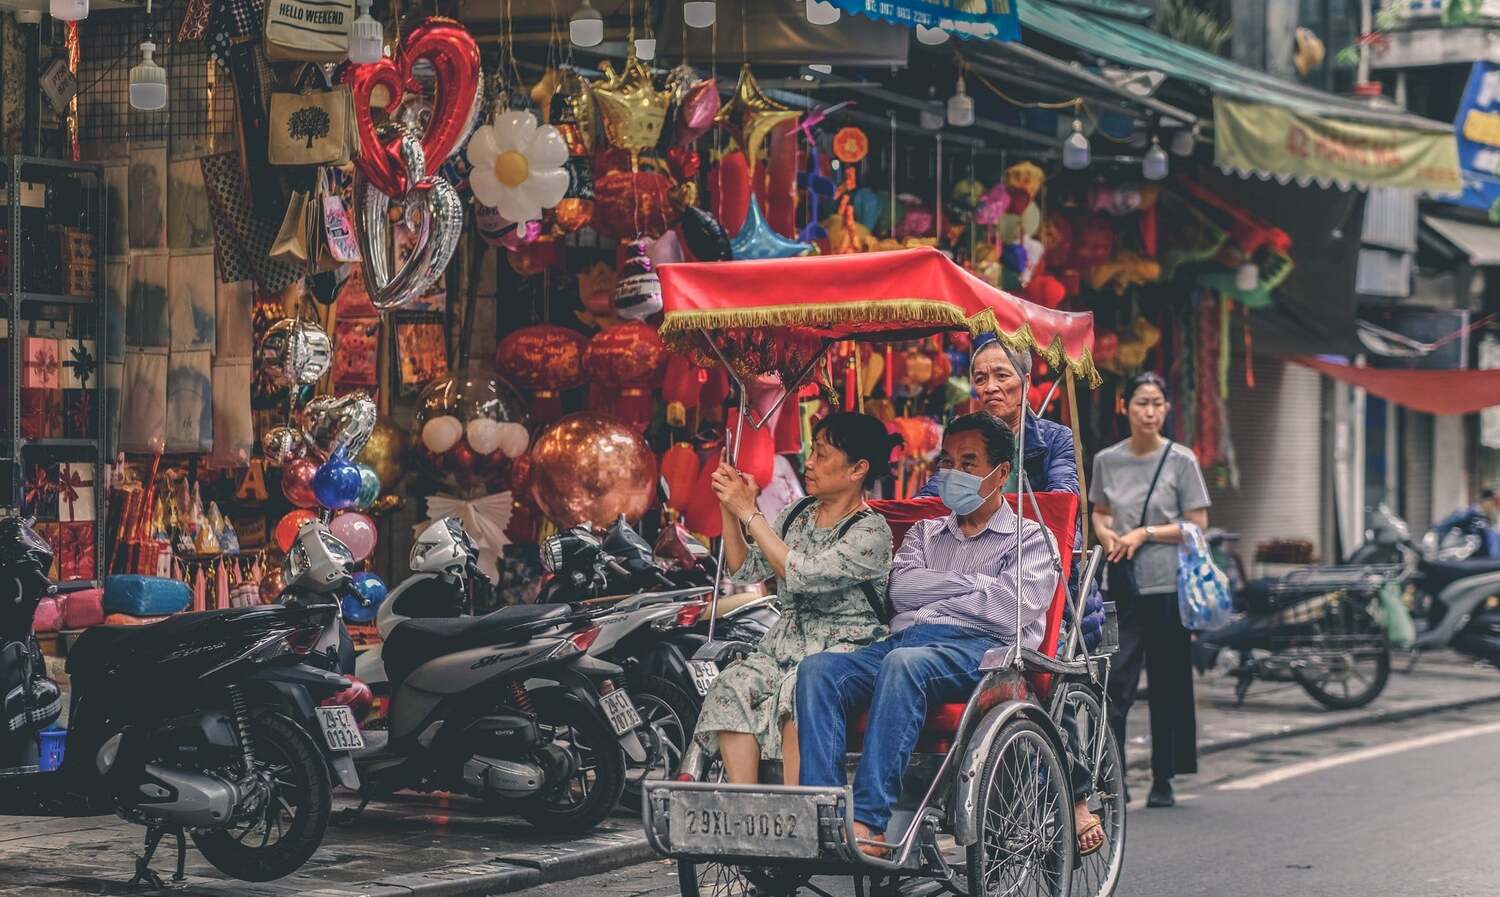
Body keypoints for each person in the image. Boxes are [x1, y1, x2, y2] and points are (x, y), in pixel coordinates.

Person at [796, 413, 1069, 856]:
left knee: (906, 665)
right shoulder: (925, 532)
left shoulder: (1031, 539)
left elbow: (1006, 611)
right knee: (818, 670)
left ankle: (869, 821)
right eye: (947, 462)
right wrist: (975, 585)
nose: (953, 473)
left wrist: (937, 593)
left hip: (981, 655)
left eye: (968, 462)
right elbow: (901, 591)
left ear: (1001, 473)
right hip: (903, 642)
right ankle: (825, 817)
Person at [693, 412, 896, 786]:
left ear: (858, 469)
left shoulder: (871, 532)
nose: (810, 464)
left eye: (822, 454)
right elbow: (744, 568)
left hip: (843, 648)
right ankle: (745, 808)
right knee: (732, 683)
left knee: (797, 690)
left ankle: (796, 813)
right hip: (783, 643)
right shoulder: (797, 514)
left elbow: (801, 572)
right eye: (812, 453)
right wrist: (729, 507)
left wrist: (749, 512)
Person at [1090, 372, 1211, 809]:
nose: (1149, 411)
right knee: (1114, 682)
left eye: (1157, 403)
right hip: (1118, 584)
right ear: (1125, 406)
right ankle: (1114, 778)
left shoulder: (1181, 460)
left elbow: (1197, 525)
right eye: (1141, 402)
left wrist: (1144, 533)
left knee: (1167, 683)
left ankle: (1163, 778)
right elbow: (1100, 513)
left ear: (1166, 409)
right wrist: (1106, 537)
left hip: (1167, 587)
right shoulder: (1107, 460)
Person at [1429, 487, 1500, 558]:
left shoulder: (1487, 517)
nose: (1494, 506)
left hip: (1490, 559)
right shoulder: (1473, 512)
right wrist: (1436, 528)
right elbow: (1451, 521)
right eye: (1493, 502)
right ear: (1486, 501)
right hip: (1481, 558)